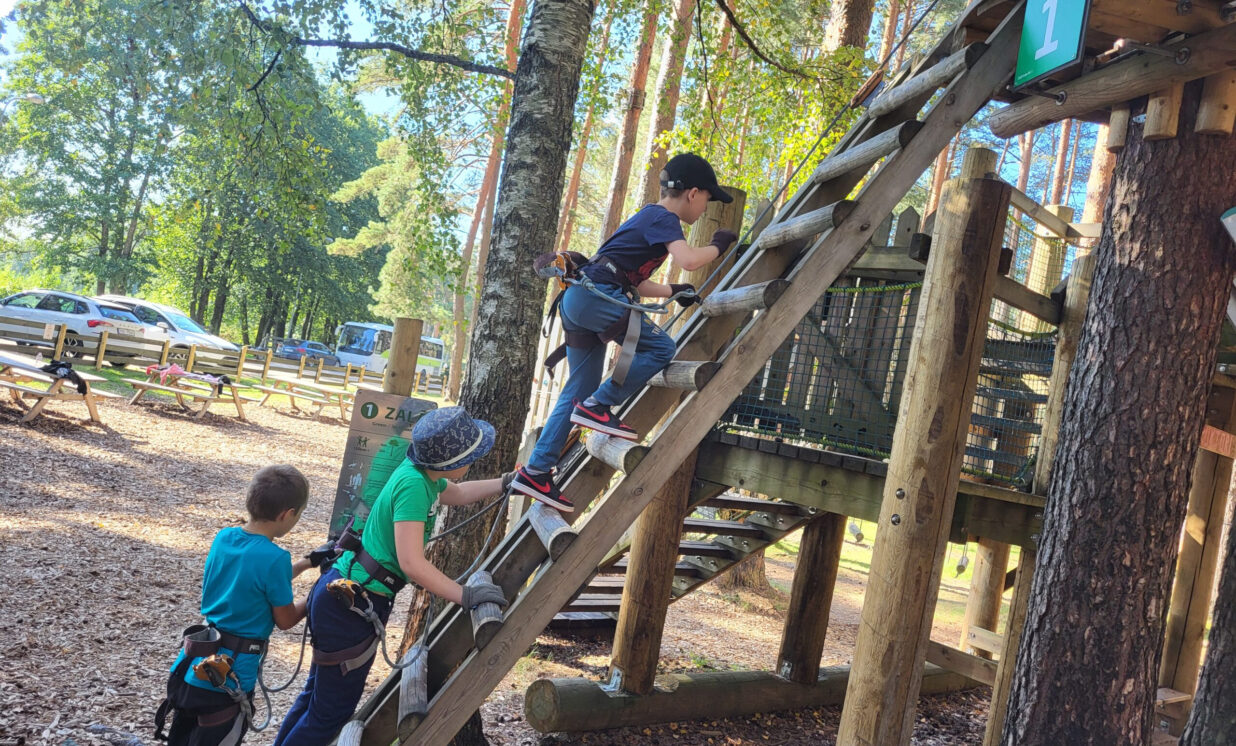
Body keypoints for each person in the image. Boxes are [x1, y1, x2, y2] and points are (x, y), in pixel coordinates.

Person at [511, 152, 737, 512]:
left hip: (579, 299)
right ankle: (599, 405)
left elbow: (634, 280)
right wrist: (719, 245)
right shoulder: (664, 217)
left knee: (579, 386)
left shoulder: (648, 218)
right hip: (596, 296)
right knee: (661, 349)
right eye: (707, 199)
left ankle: (536, 471)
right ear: (693, 193)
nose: (704, 208)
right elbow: (689, 260)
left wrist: (674, 290)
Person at [273, 406, 513, 746]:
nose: (473, 461)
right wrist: (465, 596)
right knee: (328, 715)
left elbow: (458, 494)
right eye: (471, 456)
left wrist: (505, 483)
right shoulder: (414, 486)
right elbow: (411, 563)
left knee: (316, 701)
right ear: (450, 462)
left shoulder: (421, 474)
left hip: (342, 593)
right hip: (350, 606)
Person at [155, 465, 314, 745]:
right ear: (286, 514)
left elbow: (252, 580)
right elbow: (286, 619)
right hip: (230, 675)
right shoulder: (275, 558)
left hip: (194, 662)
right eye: (298, 514)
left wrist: (305, 564)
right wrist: (315, 595)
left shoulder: (225, 538)